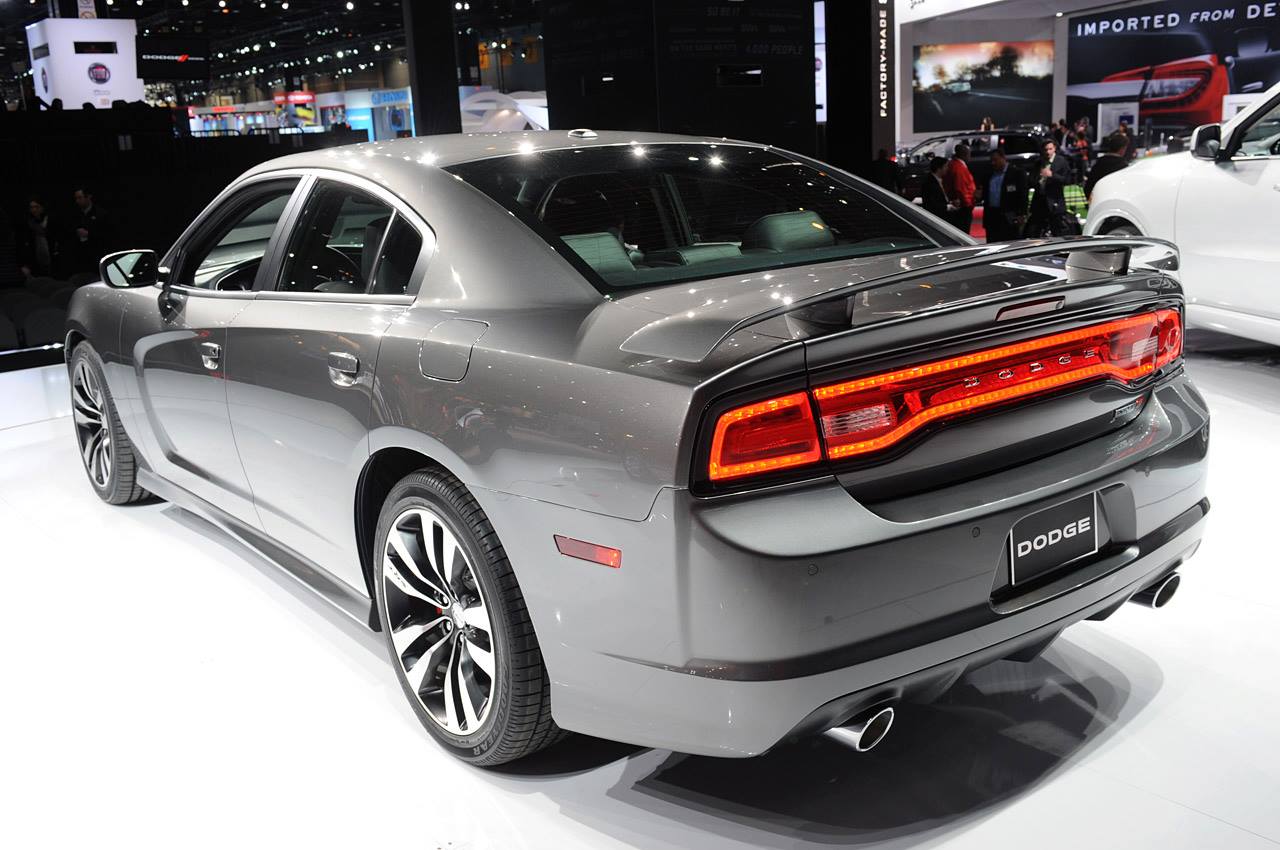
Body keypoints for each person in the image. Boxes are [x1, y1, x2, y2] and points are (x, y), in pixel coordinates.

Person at [1025, 139, 1075, 237]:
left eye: (1050, 149)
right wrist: (1037, 178)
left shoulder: (1061, 161)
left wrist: (1052, 175)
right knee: (1034, 231)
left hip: (1054, 201)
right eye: (1045, 150)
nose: (1048, 152)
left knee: (1057, 230)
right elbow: (1031, 180)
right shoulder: (1039, 162)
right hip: (1039, 201)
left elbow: (1068, 180)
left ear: (1054, 149)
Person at [983, 148, 1028, 243]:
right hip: (992, 216)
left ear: (1003, 158)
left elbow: (1023, 195)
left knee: (1010, 244)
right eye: (991, 160)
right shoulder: (988, 174)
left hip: (1009, 216)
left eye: (995, 160)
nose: (993, 163)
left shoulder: (1016, 173)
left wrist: (1021, 214)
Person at [69, 186, 114, 273]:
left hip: (97, 255)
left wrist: (89, 234)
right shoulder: (74, 214)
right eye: (76, 198)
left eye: (80, 198)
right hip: (80, 256)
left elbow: (108, 234)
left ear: (88, 197)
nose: (77, 201)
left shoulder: (101, 214)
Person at [20, 197, 60, 278]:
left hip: (52, 258)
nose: (34, 210)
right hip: (36, 260)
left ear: (42, 207)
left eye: (36, 207)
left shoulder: (51, 221)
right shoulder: (29, 224)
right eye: (32, 207)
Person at [1085, 132, 1130, 201]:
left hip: (1098, 202)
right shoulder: (1123, 167)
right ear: (1122, 149)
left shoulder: (1098, 164)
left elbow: (1088, 188)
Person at [944, 143, 976, 234]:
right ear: (964, 154)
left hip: (960, 204)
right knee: (964, 230)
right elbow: (960, 188)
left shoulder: (953, 164)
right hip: (964, 206)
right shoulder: (959, 168)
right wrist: (968, 204)